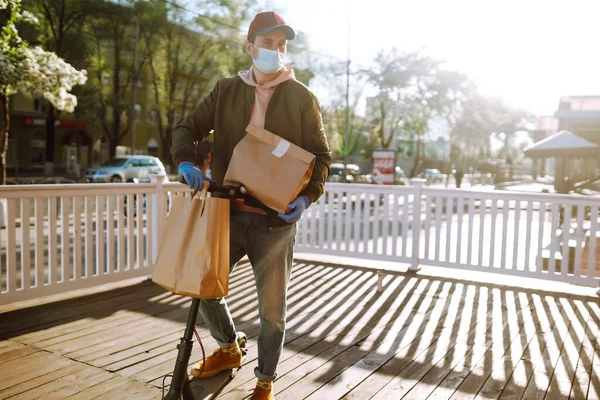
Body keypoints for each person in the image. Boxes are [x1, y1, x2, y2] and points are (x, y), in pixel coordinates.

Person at [170, 11, 331, 400]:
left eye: (281, 45)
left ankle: (264, 381)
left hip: (275, 223)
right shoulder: (226, 90)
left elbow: (321, 157)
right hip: (227, 211)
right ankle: (227, 348)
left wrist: (307, 198)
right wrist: (185, 161)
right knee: (205, 286)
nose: (275, 51)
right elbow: (186, 128)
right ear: (250, 47)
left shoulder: (301, 97)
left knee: (272, 312)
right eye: (267, 43)